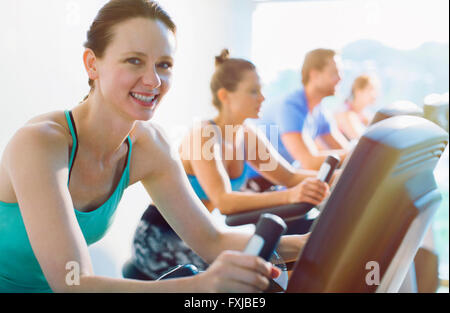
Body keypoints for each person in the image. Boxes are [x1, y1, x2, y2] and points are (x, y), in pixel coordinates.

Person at [0, 0, 307, 293]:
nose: (154, 80)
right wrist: (199, 285)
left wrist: (309, 242)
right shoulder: (40, 143)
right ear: (92, 64)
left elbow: (211, 240)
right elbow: (73, 282)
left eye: (164, 65)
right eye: (134, 61)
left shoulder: (150, 146)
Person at [131, 50, 330, 279]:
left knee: (285, 267)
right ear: (226, 96)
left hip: (199, 235)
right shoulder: (204, 134)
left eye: (261, 90)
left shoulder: (247, 135)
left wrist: (339, 178)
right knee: (251, 274)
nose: (262, 98)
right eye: (253, 91)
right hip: (160, 238)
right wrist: (291, 196)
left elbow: (291, 177)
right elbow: (223, 201)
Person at [250, 48, 349, 174]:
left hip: (283, 179)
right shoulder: (291, 106)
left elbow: (341, 148)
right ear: (314, 75)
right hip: (259, 183)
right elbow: (309, 162)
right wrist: (356, 154)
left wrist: (356, 154)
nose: (340, 78)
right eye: (334, 73)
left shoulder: (320, 111)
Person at [334, 74, 378, 141]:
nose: (375, 94)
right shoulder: (345, 113)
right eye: (371, 89)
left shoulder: (363, 113)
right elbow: (360, 140)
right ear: (358, 91)